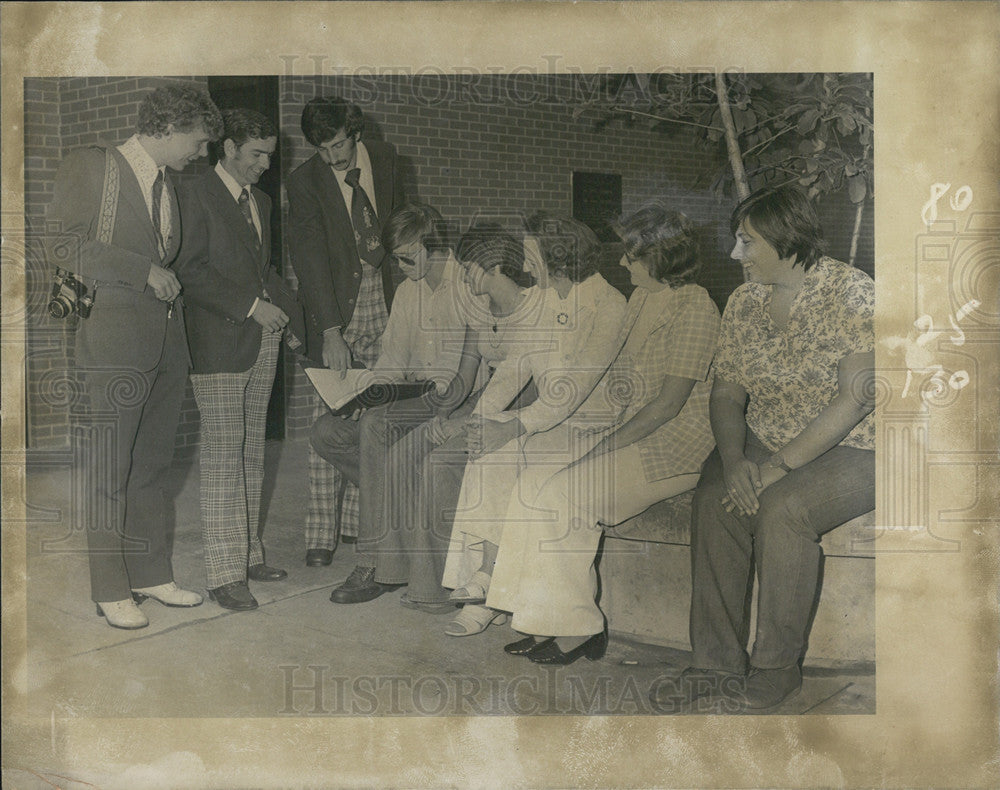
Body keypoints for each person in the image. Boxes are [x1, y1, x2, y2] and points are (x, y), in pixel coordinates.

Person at [656, 185, 875, 712]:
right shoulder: (744, 301)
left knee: (784, 509)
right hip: (764, 435)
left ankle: (778, 668)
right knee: (715, 500)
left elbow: (856, 400)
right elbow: (728, 391)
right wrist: (734, 462)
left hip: (856, 446)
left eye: (746, 242)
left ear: (786, 239)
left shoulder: (855, 292)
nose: (736, 254)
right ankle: (714, 663)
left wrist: (777, 467)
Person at [486, 204, 721, 664]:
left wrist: (599, 448)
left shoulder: (696, 308)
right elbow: (621, 384)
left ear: (661, 257)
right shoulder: (643, 299)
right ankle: (539, 617)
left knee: (567, 492)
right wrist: (585, 433)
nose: (621, 263)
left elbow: (666, 406)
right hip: (632, 431)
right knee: (533, 483)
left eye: (631, 256)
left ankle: (580, 629)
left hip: (675, 446)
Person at [46, 85, 223, 629]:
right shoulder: (94, 166)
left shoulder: (171, 183)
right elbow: (62, 243)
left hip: (167, 341)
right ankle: (109, 589)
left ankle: (150, 574)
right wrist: (142, 271)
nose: (203, 153)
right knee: (108, 469)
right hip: (114, 342)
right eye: (197, 141)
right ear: (167, 129)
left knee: (152, 467)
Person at [441, 214, 628, 638]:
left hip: (592, 428)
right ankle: (484, 581)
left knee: (513, 452)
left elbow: (573, 391)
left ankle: (492, 594)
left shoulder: (608, 305)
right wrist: (481, 421)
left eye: (531, 255)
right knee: (489, 445)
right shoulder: (546, 301)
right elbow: (514, 368)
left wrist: (512, 427)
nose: (524, 266)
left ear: (557, 256)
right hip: (550, 424)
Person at [370, 223, 544, 615]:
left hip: (519, 407)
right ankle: (398, 569)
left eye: (468, 269)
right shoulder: (480, 309)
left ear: (494, 267)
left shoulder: (534, 308)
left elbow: (522, 388)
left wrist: (461, 421)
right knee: (404, 452)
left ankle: (435, 588)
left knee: (440, 464)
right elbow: (466, 376)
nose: (462, 277)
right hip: (483, 400)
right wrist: (443, 412)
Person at [310, 202, 471, 605]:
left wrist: (388, 404)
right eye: (395, 259)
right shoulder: (405, 291)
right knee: (326, 431)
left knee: (376, 426)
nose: (399, 266)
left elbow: (472, 368)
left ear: (428, 242)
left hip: (452, 397)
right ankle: (398, 510)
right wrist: (364, 391)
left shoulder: (467, 282)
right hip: (410, 398)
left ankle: (374, 560)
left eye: (405, 256)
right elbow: (394, 360)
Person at [174, 108, 291, 612]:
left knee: (251, 453)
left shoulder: (261, 201)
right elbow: (190, 271)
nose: (264, 164)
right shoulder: (193, 194)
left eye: (269, 155)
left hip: (260, 339)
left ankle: (246, 555)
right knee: (223, 455)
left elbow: (261, 271)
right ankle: (224, 575)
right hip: (218, 342)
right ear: (228, 149)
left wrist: (285, 316)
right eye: (256, 154)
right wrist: (250, 307)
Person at [286, 96, 404, 567]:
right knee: (332, 414)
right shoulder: (305, 181)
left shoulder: (388, 159)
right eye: (322, 149)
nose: (333, 158)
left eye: (338, 145)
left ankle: (359, 523)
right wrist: (331, 330)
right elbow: (308, 256)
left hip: (386, 295)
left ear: (354, 132)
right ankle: (320, 534)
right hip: (335, 304)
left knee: (375, 411)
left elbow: (399, 227)